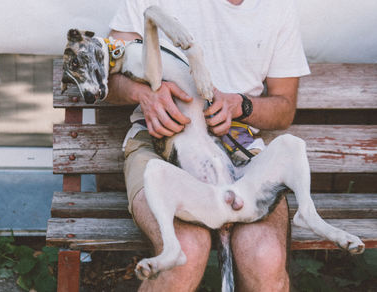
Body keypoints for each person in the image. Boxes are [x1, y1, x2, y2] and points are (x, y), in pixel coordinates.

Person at [105, 0, 310, 291]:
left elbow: (284, 108)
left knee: (265, 257)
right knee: (185, 253)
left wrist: (241, 105)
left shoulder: (278, 9)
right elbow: (108, 76)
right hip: (161, 143)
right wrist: (144, 94)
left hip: (238, 149)